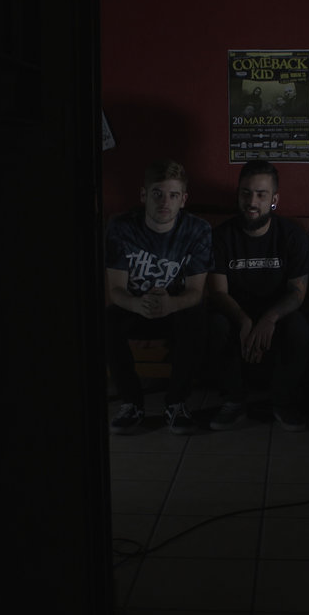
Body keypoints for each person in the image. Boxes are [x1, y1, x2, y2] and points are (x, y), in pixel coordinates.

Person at [105, 159, 212, 435]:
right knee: (107, 320)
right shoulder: (121, 227)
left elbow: (196, 292)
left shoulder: (197, 230)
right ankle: (131, 404)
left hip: (175, 310)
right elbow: (115, 289)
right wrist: (136, 304)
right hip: (135, 307)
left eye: (173, 195)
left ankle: (175, 403)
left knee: (197, 316)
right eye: (157, 194)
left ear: (183, 199)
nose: (165, 202)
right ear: (144, 195)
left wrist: (170, 304)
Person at [206, 161, 309, 430]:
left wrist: (269, 318)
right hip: (235, 311)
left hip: (276, 313)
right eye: (246, 193)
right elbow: (218, 292)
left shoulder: (291, 236)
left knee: (299, 326)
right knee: (215, 324)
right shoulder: (221, 237)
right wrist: (244, 320)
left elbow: (297, 293)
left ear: (274, 199)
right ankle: (234, 401)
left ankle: (283, 402)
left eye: (261, 194)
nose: (252, 202)